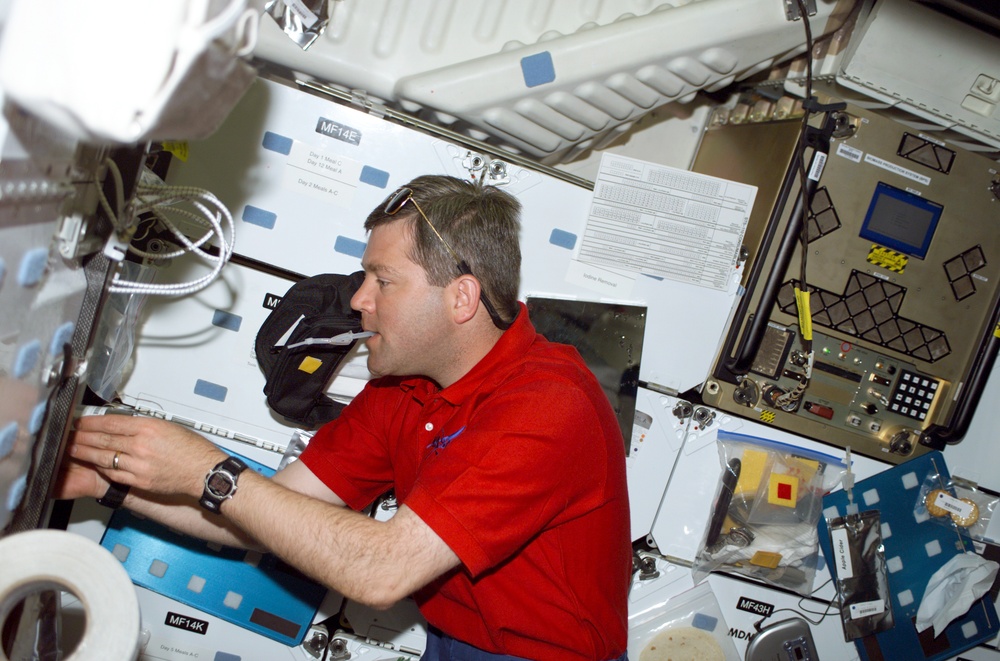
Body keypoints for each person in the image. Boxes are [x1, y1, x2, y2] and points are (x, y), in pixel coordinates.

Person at [58, 175, 632, 660]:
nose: (358, 298)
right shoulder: (402, 387)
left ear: (461, 298)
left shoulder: (549, 404)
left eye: (382, 280)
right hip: (450, 641)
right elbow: (272, 507)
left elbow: (382, 572)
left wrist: (209, 471)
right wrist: (112, 484)